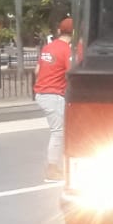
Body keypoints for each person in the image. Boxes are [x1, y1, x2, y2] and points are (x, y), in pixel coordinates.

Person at [34, 18, 73, 182]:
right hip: (54, 95)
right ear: (74, 33)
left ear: (59, 31)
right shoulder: (66, 50)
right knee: (58, 133)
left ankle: (60, 166)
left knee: (61, 130)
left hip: (42, 93)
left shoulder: (48, 48)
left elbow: (37, 70)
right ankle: (52, 171)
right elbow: (72, 74)